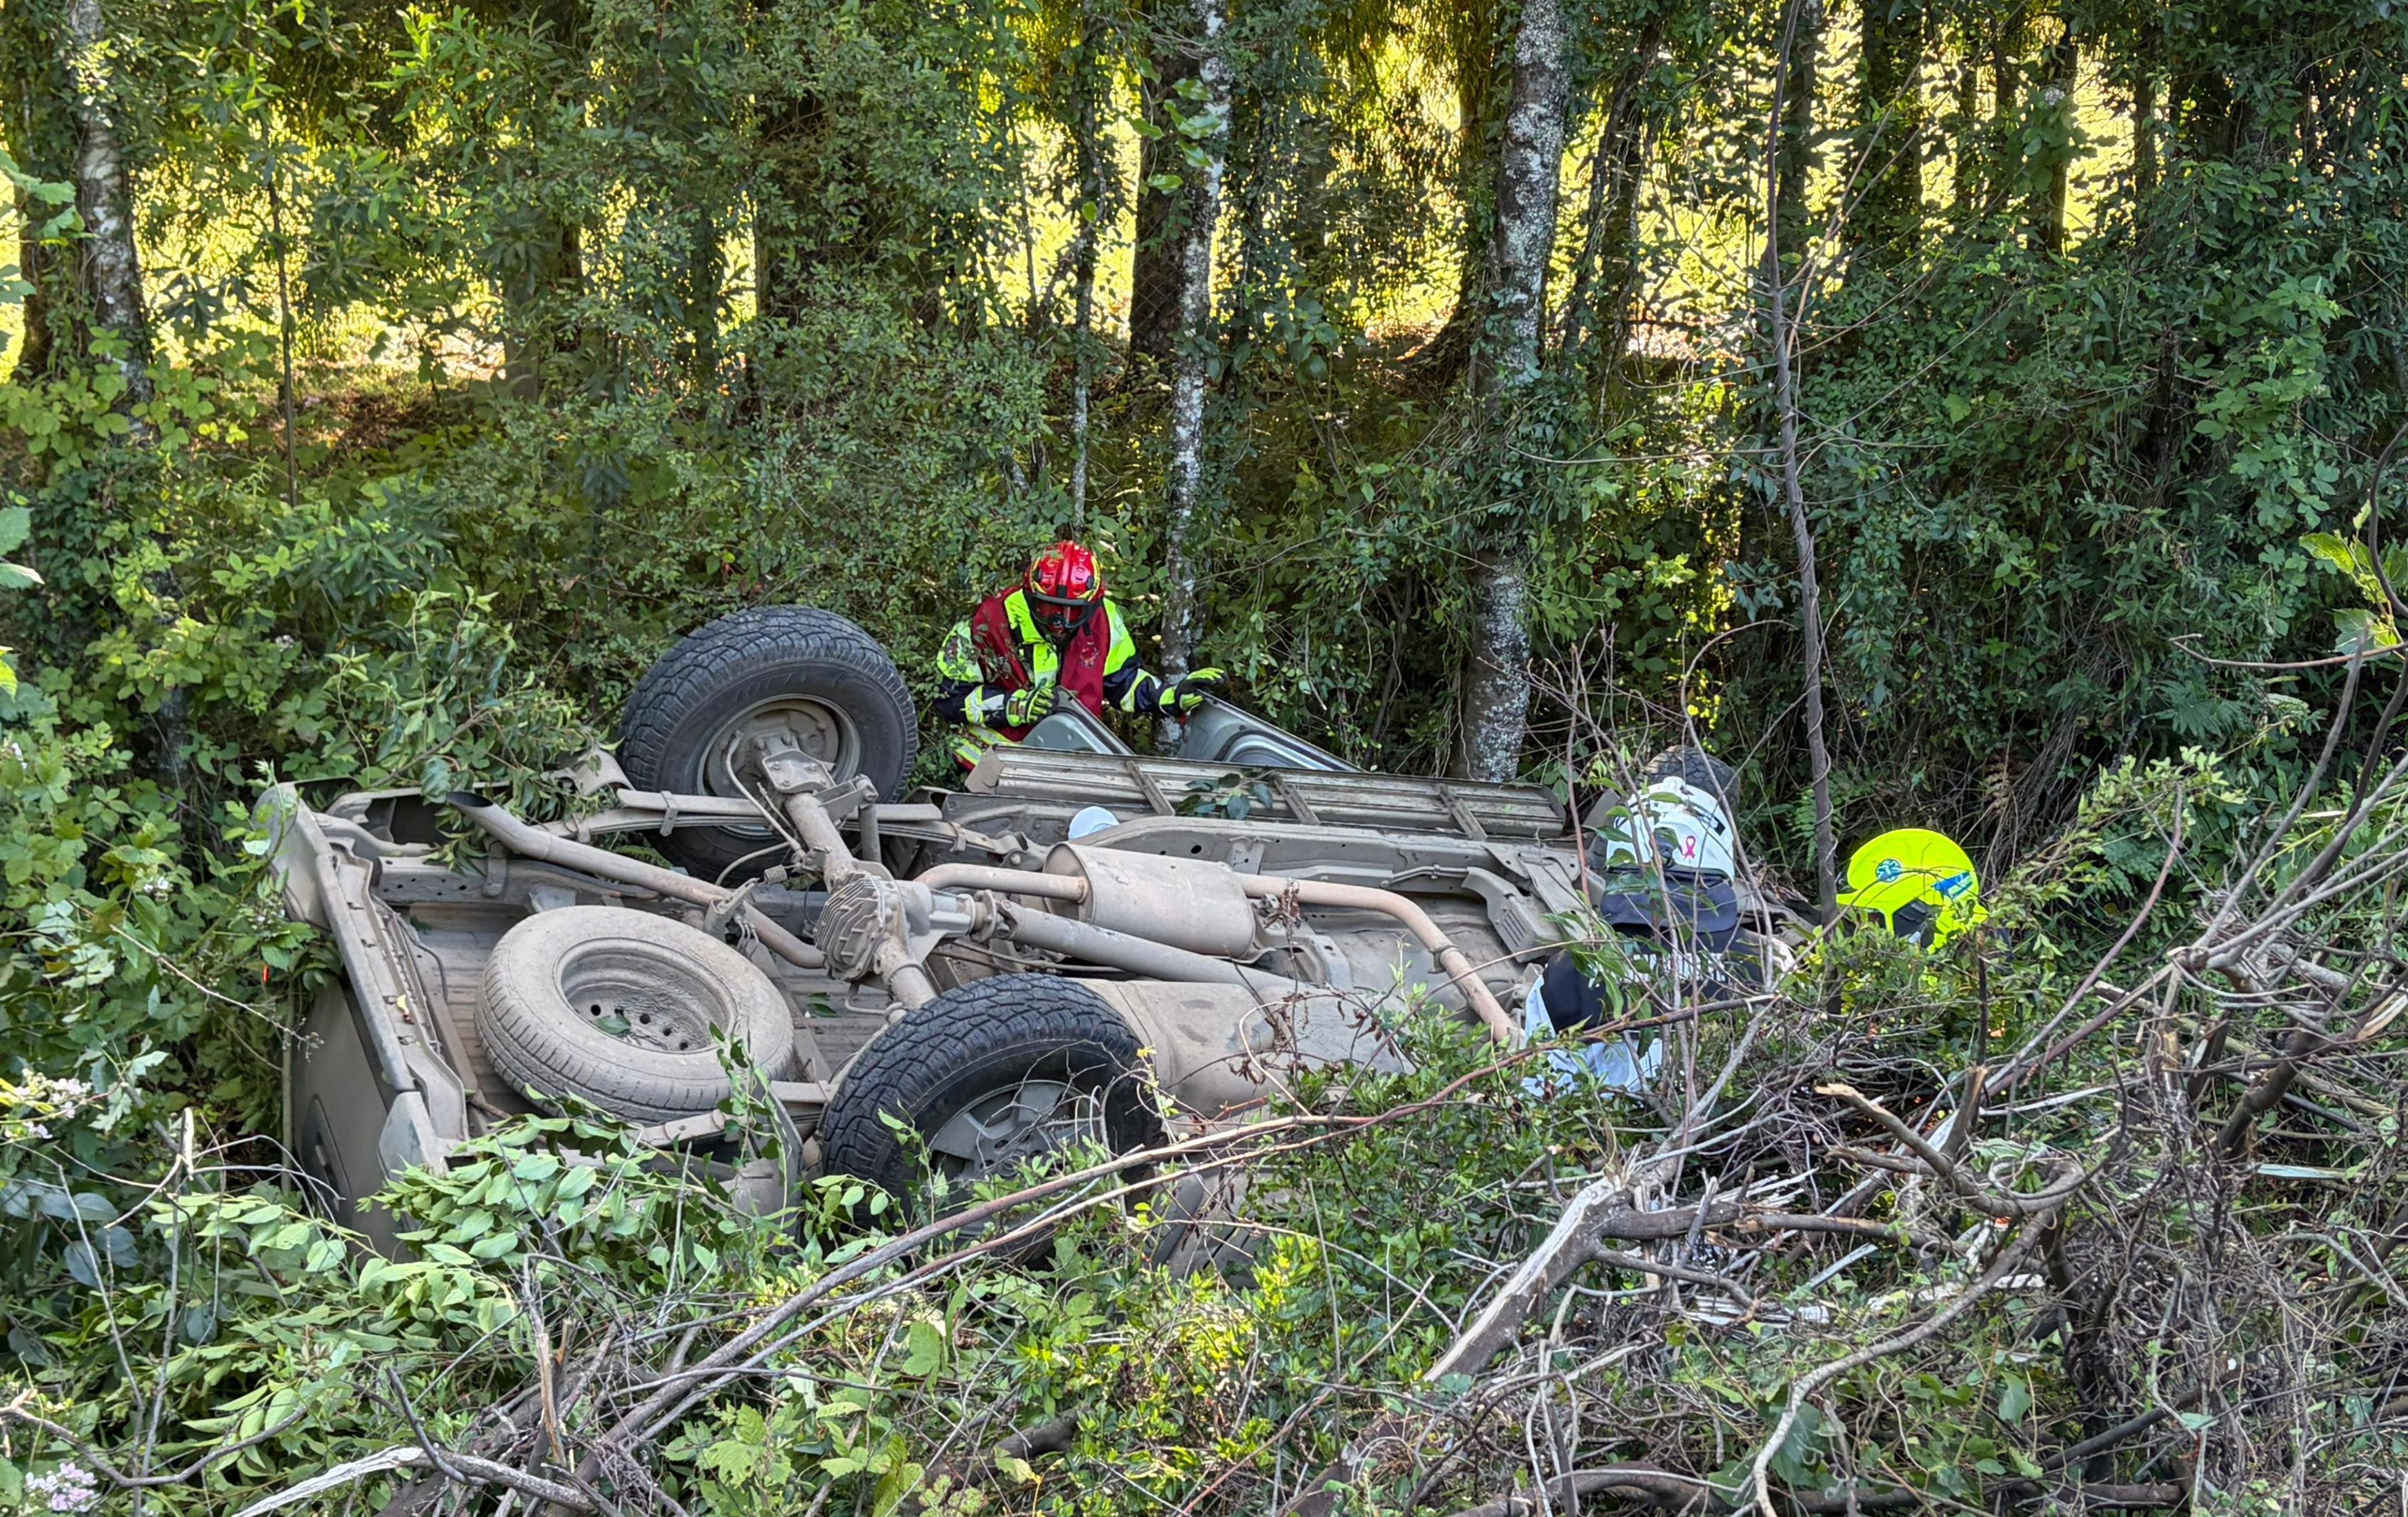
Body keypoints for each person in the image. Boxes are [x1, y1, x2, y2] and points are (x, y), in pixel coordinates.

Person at [933, 541, 1224, 769]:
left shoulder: (1104, 621)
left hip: (1071, 762)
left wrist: (1170, 698)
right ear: (1030, 597)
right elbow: (948, 699)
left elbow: (1123, 681)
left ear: (1091, 605)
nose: (1059, 622)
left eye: (1072, 612)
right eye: (1048, 609)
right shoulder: (989, 623)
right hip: (993, 762)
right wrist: (1015, 705)